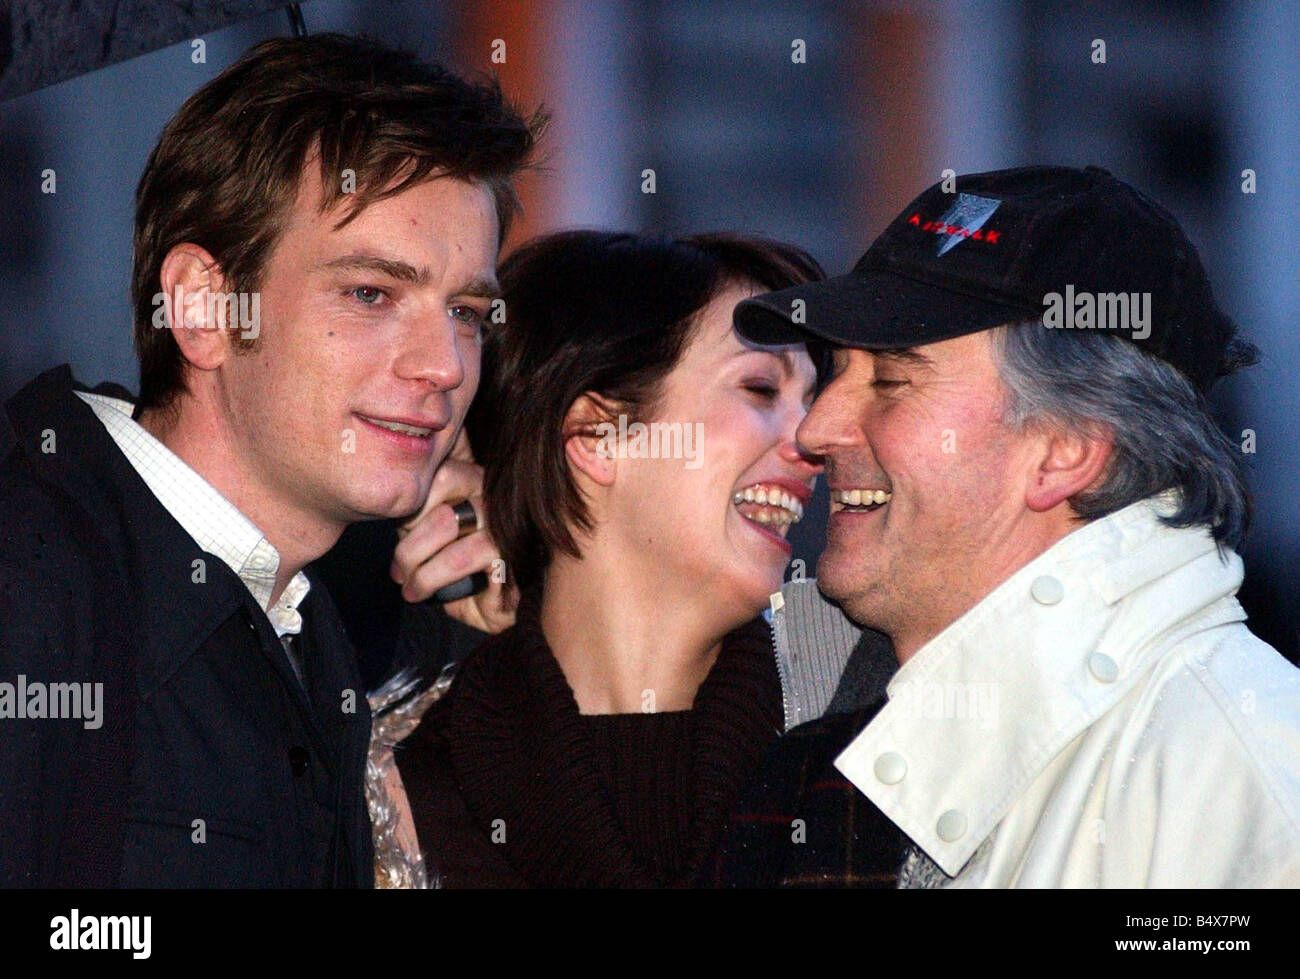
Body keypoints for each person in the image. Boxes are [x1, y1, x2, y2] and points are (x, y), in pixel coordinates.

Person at [0, 33, 538, 887]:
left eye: (468, 311)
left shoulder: (309, 619)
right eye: (372, 294)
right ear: (204, 308)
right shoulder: (34, 582)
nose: (444, 364)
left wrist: (484, 637)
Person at [711, 164, 1300, 888]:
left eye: (892, 379)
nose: (818, 427)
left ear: (1067, 446)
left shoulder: (1251, 786)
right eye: (837, 370)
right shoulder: (800, 728)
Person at [378, 229, 849, 887]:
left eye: (810, 401)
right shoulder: (382, 797)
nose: (813, 441)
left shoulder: (866, 750)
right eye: (761, 388)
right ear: (599, 435)